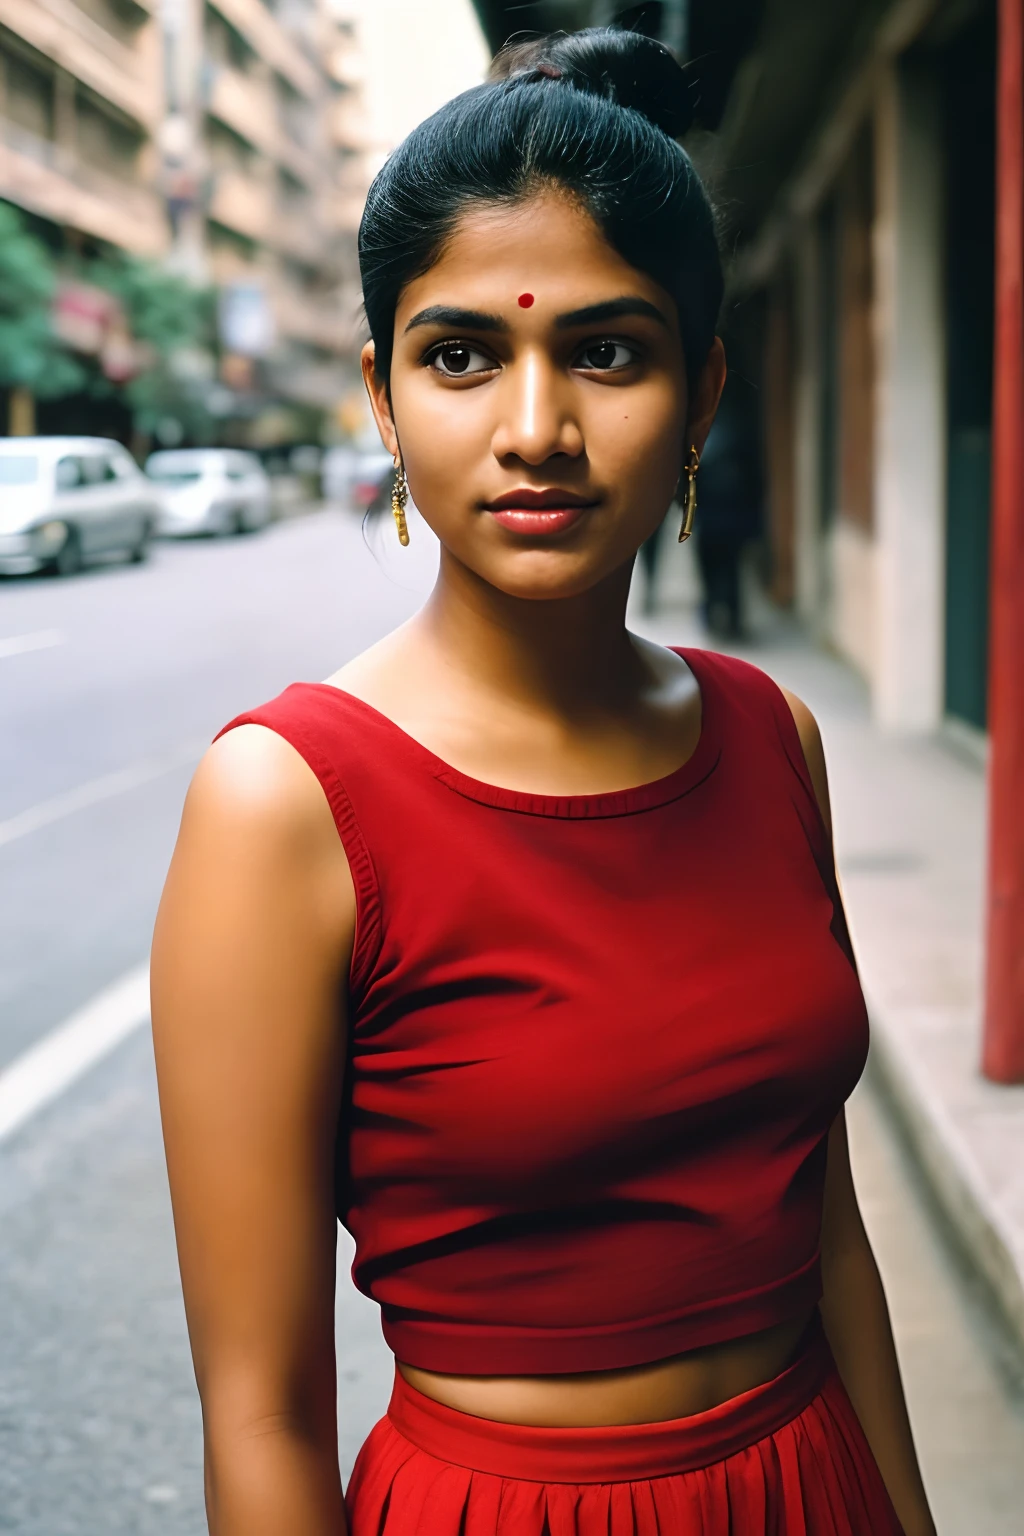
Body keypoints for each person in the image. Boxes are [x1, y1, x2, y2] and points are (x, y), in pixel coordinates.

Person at [151, 29, 936, 1536]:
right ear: (381, 397)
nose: (534, 429)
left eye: (606, 350)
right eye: (461, 355)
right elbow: (258, 1410)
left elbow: (827, 1232)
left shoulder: (772, 735)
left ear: (701, 390)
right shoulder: (287, 804)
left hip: (809, 1480)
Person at [694, 371, 762, 637]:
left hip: (713, 517)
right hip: (729, 516)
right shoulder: (740, 433)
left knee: (713, 567)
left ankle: (714, 613)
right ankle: (728, 616)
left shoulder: (705, 435)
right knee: (729, 568)